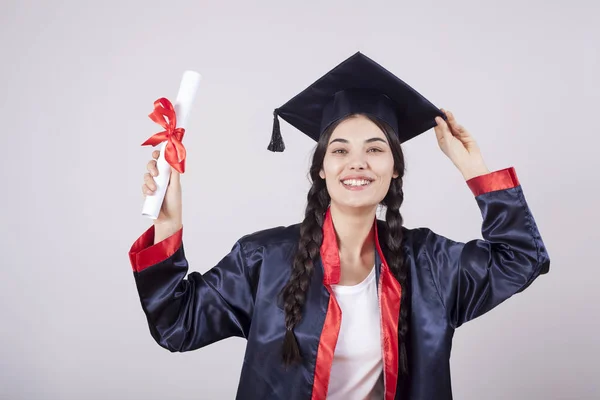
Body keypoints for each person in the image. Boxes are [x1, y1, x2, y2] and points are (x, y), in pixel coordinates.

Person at [128, 52, 550, 400]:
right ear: (323, 170)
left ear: (395, 170)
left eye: (375, 148)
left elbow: (521, 258)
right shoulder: (264, 258)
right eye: (340, 149)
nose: (357, 162)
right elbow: (175, 323)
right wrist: (169, 220)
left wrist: (473, 168)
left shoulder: (431, 264)